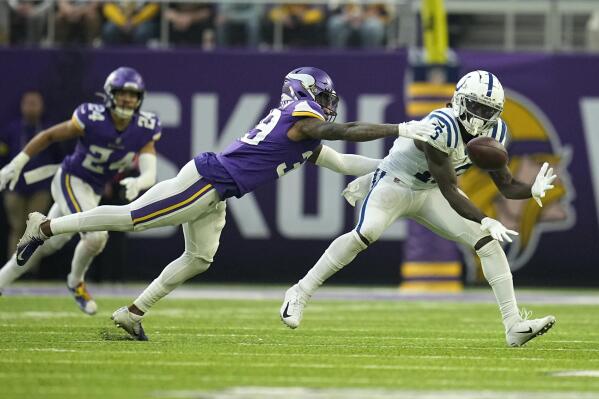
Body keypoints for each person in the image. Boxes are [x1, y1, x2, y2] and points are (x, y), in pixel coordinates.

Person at [14, 66, 436, 340]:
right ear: (305, 95)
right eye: (323, 97)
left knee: (199, 258)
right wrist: (400, 127)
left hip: (220, 191)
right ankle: (46, 226)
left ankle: (133, 312)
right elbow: (346, 132)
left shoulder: (304, 134)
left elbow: (342, 160)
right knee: (132, 218)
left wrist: (388, 166)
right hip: (207, 181)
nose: (328, 105)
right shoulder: (302, 120)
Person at [279, 70, 557, 348]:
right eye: (476, 106)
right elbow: (450, 189)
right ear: (459, 101)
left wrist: (530, 190)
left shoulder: (497, 132)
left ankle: (513, 325)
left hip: (429, 191)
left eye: (489, 110)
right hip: (396, 183)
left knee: (487, 243)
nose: (481, 116)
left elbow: (506, 185)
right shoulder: (441, 125)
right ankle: (300, 291)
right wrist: (485, 218)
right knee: (366, 233)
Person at [0, 67, 160, 315]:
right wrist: (17, 163)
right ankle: (76, 283)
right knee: (96, 237)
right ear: (110, 94)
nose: (128, 99)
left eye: (133, 94)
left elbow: (150, 172)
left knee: (47, 244)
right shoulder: (92, 117)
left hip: (91, 191)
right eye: (122, 93)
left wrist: (138, 183)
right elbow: (49, 135)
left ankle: (2, 279)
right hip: (70, 179)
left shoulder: (145, 127)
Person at [1, 91, 63, 257]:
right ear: (21, 106)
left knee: (35, 229)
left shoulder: (49, 130)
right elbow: (3, 156)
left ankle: (29, 270)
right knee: (17, 226)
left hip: (41, 188)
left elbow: (59, 158)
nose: (31, 107)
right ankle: (12, 269)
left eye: (35, 103)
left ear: (42, 106)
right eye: (28, 103)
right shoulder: (12, 130)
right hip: (14, 187)